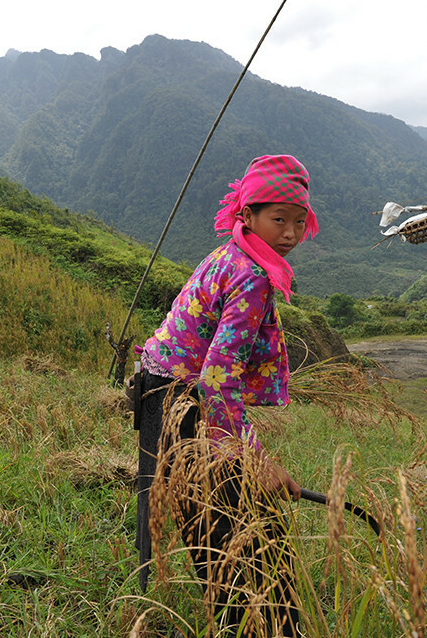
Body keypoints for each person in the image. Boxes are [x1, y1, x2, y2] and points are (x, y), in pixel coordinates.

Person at [133, 154, 318, 636]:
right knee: (239, 533)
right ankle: (262, 627)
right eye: (279, 219)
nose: (291, 233)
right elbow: (217, 381)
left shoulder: (231, 253)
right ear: (248, 214)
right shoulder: (251, 276)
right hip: (180, 400)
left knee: (222, 525)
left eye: (299, 222)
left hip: (159, 390)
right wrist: (257, 459)